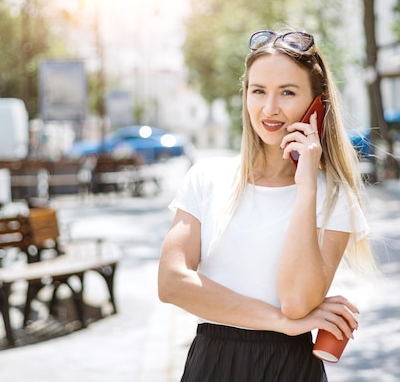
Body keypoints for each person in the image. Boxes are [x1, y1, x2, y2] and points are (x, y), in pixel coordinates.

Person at [157, 29, 378, 382]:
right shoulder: (206, 177)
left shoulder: (334, 196)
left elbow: (296, 302)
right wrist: (279, 322)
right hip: (213, 365)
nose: (269, 108)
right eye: (258, 91)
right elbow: (171, 283)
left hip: (290, 369)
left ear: (316, 104)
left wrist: (306, 188)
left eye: (287, 92)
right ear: (244, 95)